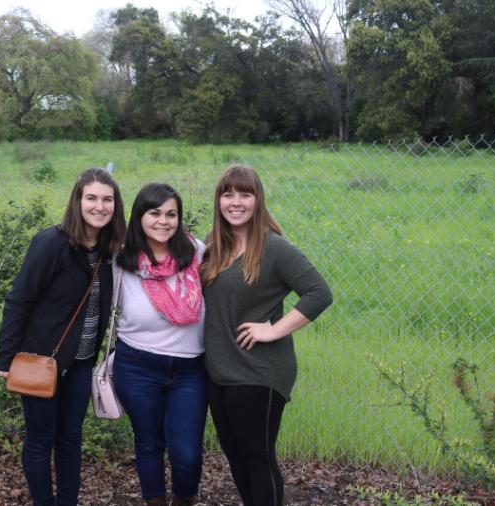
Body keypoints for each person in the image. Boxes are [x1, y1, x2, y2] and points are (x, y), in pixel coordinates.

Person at [200, 164, 333, 506]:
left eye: (245, 194)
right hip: (219, 369)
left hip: (260, 370)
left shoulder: (274, 249)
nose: (236, 202)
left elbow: (319, 293)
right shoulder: (212, 246)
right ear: (218, 200)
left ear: (258, 200)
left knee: (257, 458)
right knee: (236, 456)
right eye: (228, 194)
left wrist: (273, 329)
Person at [0, 168, 126, 506]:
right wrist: (5, 358)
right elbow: (19, 299)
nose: (100, 206)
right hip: (42, 362)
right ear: (78, 201)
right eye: (92, 198)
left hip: (81, 364)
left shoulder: (110, 250)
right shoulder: (51, 243)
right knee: (40, 441)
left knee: (70, 439)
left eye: (107, 199)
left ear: (116, 204)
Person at [112, 183, 207, 506]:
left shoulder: (196, 252)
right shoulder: (120, 259)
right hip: (137, 366)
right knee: (149, 444)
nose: (163, 221)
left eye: (171, 214)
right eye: (155, 213)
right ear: (139, 216)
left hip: (190, 370)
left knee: (187, 452)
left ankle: (184, 499)